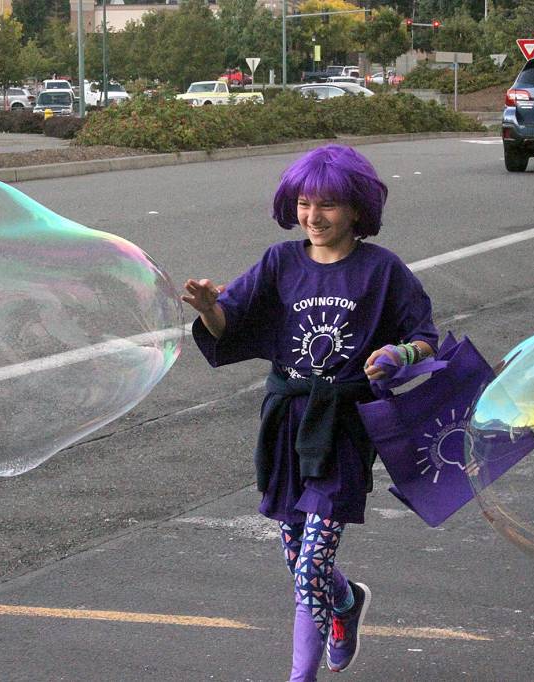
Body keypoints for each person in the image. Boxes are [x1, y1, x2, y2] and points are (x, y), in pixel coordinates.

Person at [182, 144, 438, 681]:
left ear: (357, 208)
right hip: (288, 422)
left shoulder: (382, 270)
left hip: (344, 426)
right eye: (304, 203)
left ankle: (301, 676)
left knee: (311, 565)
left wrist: (399, 355)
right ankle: (344, 603)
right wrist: (209, 309)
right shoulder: (280, 262)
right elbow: (229, 323)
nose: (313, 217)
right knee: (297, 552)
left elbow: (425, 338)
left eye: (328, 205)